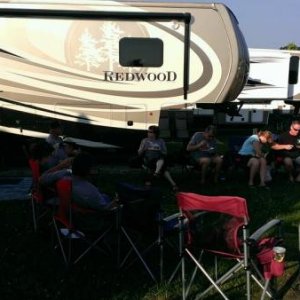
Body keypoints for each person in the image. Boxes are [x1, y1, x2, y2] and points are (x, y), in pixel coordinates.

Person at [138, 125, 178, 191]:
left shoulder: (160, 141)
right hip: (148, 160)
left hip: (158, 159)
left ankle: (155, 174)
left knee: (161, 160)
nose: (149, 133)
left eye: (151, 132)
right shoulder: (144, 140)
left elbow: (165, 152)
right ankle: (173, 184)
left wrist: (159, 149)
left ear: (155, 133)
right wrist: (143, 148)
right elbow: (139, 153)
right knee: (163, 167)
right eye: (148, 132)